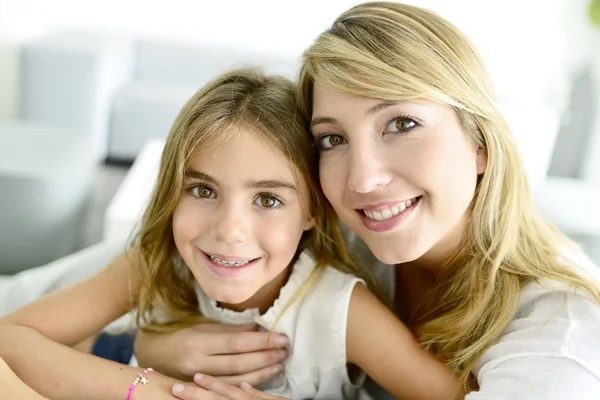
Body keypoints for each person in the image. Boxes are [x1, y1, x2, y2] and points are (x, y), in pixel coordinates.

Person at [147, 3, 600, 400]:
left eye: (401, 124)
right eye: (332, 138)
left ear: (480, 142)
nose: (362, 180)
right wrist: (155, 346)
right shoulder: (333, 228)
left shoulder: (563, 333)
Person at [0, 68, 462, 400]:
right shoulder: (158, 265)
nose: (229, 230)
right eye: (203, 189)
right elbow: (11, 336)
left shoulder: (340, 311)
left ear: (313, 214)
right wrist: (154, 388)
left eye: (268, 199)